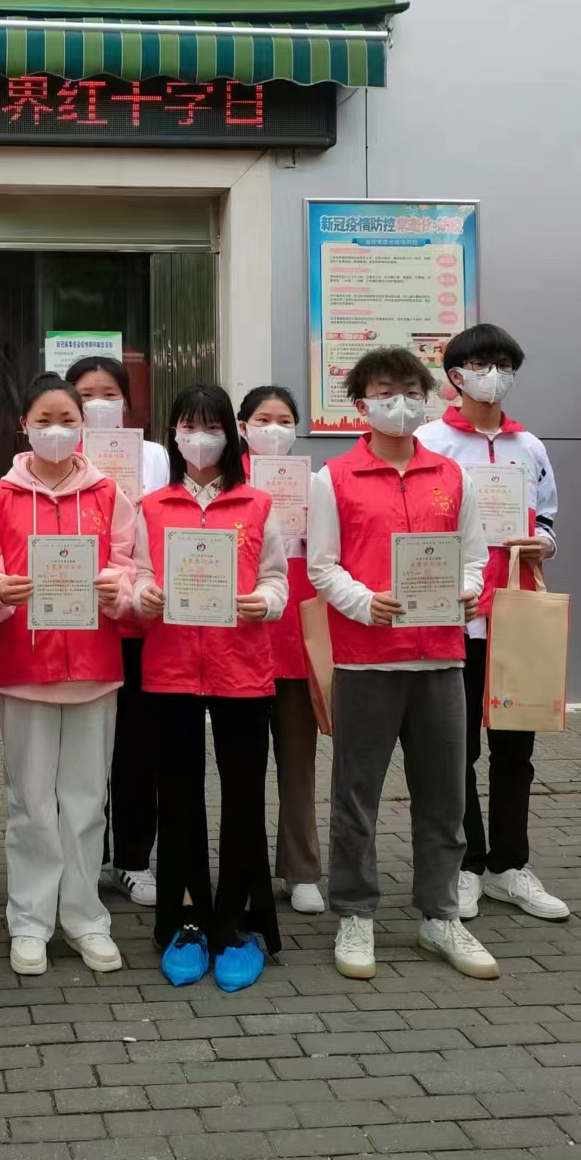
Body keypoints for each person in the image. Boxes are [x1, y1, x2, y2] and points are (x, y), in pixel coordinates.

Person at [307, 346, 495, 981]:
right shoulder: (333, 478)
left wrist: (467, 589)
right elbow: (322, 566)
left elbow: (475, 556)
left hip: (441, 658)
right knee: (355, 796)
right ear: (361, 404)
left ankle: (441, 915)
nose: (401, 404)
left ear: (428, 399)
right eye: (385, 392)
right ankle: (355, 912)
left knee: (444, 796)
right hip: (367, 660)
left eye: (412, 392)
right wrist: (364, 603)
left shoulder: (452, 475)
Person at [130, 383, 288, 993]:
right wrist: (143, 596)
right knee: (178, 800)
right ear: (173, 435)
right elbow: (138, 575)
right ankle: (187, 920)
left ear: (231, 435)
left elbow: (276, 580)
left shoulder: (259, 505)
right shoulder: (151, 506)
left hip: (241, 668)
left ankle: (237, 924)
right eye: (188, 427)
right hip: (170, 668)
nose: (200, 439)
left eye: (212, 427)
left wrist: (263, 603)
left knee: (244, 800)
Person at [0, 372, 135, 977]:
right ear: (24, 425)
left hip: (94, 666)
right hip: (25, 667)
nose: (56, 431)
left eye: (67, 420)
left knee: (87, 802)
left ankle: (86, 917)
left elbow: (131, 564)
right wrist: (0, 589)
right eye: (43, 421)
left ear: (83, 425)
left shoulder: (109, 494)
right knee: (31, 803)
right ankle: (30, 920)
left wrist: (117, 588)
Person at [416, 324, 567, 922]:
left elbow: (548, 517)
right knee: (457, 751)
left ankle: (510, 865)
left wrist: (543, 543)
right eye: (482, 364)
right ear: (456, 375)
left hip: (516, 613)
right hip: (456, 617)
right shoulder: (429, 442)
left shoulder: (529, 445)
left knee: (515, 748)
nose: (494, 375)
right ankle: (467, 865)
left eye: (505, 365)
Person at [66, 353, 165, 910]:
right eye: (85, 394)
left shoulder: (152, 455)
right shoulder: (57, 455)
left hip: (137, 625)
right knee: (82, 755)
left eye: (109, 394)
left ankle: (132, 857)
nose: (98, 404)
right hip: (79, 624)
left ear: (127, 401)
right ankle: (86, 856)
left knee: (136, 748)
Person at [237, 384, 324, 917]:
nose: (274, 429)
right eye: (263, 419)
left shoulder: (315, 484)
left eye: (285, 420)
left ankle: (301, 869)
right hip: (243, 640)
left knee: (297, 764)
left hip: (297, 638)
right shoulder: (230, 482)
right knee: (243, 768)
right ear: (242, 427)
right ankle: (245, 868)